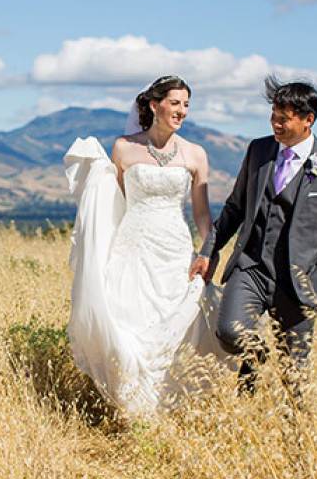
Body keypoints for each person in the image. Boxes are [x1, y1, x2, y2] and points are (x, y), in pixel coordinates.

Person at [64, 76, 231, 416]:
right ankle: (134, 409)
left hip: (174, 251)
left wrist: (207, 250)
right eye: (175, 103)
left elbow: (201, 213)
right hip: (134, 249)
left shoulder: (196, 154)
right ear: (155, 105)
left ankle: (167, 407)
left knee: (175, 328)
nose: (181, 111)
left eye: (186, 104)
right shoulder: (124, 148)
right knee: (131, 326)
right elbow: (119, 201)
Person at [190, 75, 317, 397]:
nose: (275, 124)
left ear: (308, 120)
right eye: (273, 117)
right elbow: (235, 208)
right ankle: (256, 357)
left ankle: (292, 436)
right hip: (251, 267)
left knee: (294, 375)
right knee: (229, 332)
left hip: (299, 281)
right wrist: (208, 250)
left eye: (284, 119)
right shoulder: (259, 150)